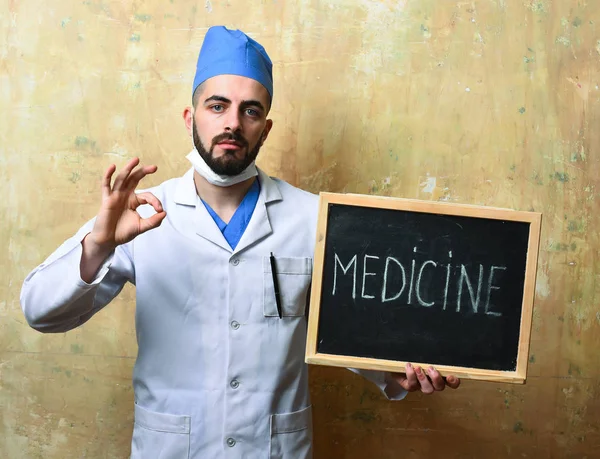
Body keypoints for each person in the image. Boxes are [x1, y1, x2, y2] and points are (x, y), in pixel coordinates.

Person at [20, 26, 460, 458]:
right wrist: (99, 245)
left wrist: (397, 372)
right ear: (190, 118)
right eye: (217, 106)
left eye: (250, 111)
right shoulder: (139, 214)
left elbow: (344, 327)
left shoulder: (313, 218)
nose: (232, 123)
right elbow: (40, 312)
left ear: (265, 129)